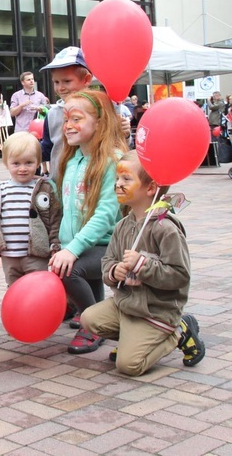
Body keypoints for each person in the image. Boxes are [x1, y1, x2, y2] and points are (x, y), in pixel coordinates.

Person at [81, 150, 205, 375]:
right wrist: (113, 271)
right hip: (127, 305)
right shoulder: (122, 226)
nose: (118, 184)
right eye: (117, 178)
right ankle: (134, 340)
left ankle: (178, 331)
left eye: (126, 179)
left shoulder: (165, 228)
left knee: (128, 366)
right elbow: (108, 259)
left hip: (155, 311)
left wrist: (142, 265)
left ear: (150, 188)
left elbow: (180, 275)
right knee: (89, 318)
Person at [49, 89, 128, 354]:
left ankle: (93, 325)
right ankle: (95, 315)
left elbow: (106, 215)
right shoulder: (71, 160)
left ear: (100, 122)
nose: (68, 126)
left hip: (107, 246)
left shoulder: (111, 161)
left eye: (77, 119)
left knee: (68, 271)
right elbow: (66, 206)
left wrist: (72, 250)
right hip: (80, 244)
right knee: (75, 268)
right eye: (66, 119)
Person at [0, 132, 61, 286]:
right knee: (14, 288)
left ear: (38, 163)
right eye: (16, 163)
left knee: (38, 289)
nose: (22, 168)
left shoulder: (44, 188)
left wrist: (55, 243)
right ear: (6, 163)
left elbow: (55, 218)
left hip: (37, 254)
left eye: (28, 162)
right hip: (8, 256)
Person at [40, 47, 94, 182]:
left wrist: (126, 134)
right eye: (56, 82)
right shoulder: (52, 114)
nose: (60, 88)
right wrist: (28, 148)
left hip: (90, 181)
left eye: (67, 81)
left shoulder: (97, 111)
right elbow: (48, 148)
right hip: (59, 182)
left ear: (86, 80)